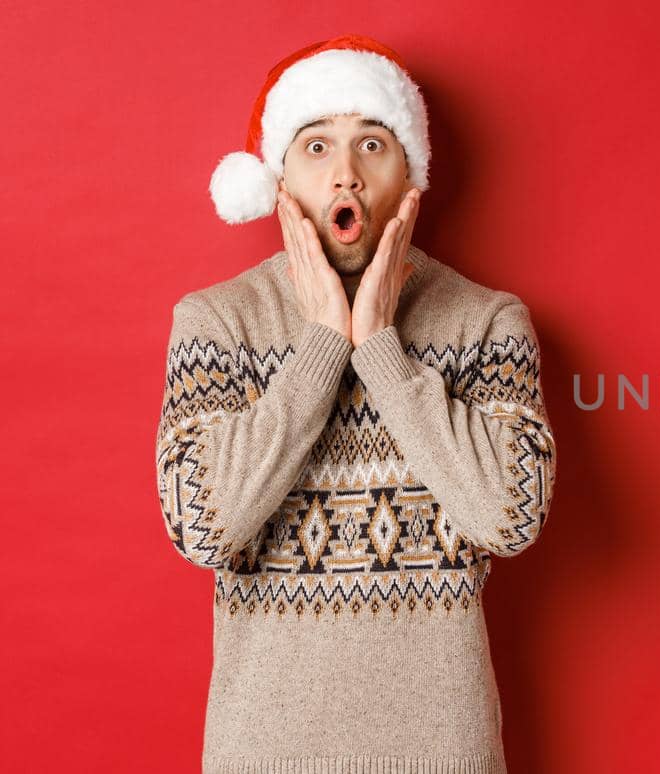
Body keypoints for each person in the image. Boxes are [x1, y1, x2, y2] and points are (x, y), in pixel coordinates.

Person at [155, 34, 555, 773]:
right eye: (315, 147)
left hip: (444, 755)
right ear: (279, 180)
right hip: (263, 756)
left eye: (372, 143)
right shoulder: (216, 323)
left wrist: (378, 348)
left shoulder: (486, 322)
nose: (345, 174)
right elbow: (202, 529)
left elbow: (510, 518)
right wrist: (318, 347)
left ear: (411, 172)